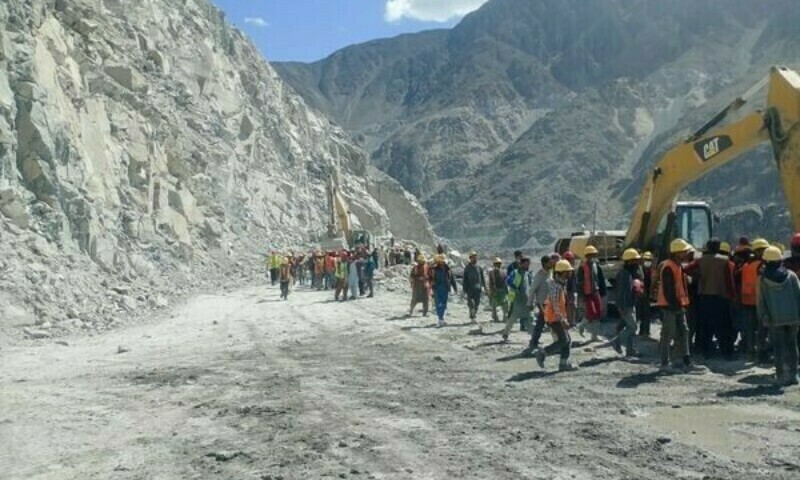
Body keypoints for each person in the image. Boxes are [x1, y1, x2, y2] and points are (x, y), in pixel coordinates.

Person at [656, 239, 701, 373]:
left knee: (684, 331)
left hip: (678, 305)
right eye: (684, 251)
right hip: (670, 306)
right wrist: (676, 306)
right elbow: (668, 290)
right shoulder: (669, 266)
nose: (687, 253)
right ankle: (664, 364)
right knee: (668, 334)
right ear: (677, 253)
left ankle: (686, 361)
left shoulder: (677, 265)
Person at [757, 246, 800, 386]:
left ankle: (780, 376)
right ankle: (793, 376)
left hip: (774, 319)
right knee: (792, 345)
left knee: (778, 347)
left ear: (766, 261)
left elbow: (761, 302)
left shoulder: (762, 279)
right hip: (793, 317)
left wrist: (762, 317)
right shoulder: (791, 275)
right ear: (780, 260)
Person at [686, 238, 736, 359]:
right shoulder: (725, 261)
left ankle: (706, 352)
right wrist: (732, 296)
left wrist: (698, 276)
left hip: (704, 297)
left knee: (705, 326)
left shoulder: (700, 260)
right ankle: (726, 352)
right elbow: (730, 280)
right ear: (718, 247)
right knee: (724, 326)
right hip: (721, 298)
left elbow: (686, 269)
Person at [535, 260, 578, 372]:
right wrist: (562, 320)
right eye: (568, 271)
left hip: (556, 317)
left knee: (567, 340)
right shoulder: (556, 286)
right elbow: (555, 305)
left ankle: (563, 363)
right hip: (554, 318)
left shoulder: (560, 284)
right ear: (563, 272)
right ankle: (543, 353)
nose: (570, 273)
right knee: (564, 340)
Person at [740, 238, 770, 362]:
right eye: (764, 250)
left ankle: (751, 352)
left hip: (747, 300)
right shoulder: (761, 265)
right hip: (759, 301)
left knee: (750, 329)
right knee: (762, 328)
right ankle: (761, 353)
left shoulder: (746, 265)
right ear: (758, 251)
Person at [614, 249, 642, 357]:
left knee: (625, 325)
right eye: (635, 260)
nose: (637, 263)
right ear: (630, 261)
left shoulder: (629, 273)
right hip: (626, 306)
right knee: (633, 327)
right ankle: (617, 341)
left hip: (629, 304)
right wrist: (623, 307)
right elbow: (621, 292)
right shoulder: (624, 275)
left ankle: (630, 350)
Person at [576, 245, 607, 341]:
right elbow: (579, 283)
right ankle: (581, 326)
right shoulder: (582, 267)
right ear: (587, 255)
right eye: (591, 255)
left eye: (594, 255)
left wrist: (603, 292)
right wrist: (581, 296)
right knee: (591, 313)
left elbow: (601, 280)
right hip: (587, 293)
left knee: (598, 314)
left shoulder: (596, 266)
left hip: (596, 292)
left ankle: (594, 336)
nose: (593, 257)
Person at [501, 256, 533, 342]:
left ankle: (534, 337)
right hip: (517, 300)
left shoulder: (527, 274)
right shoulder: (516, 273)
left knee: (529, 318)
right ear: (521, 264)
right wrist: (515, 288)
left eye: (528, 264)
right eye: (526, 264)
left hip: (525, 300)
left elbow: (529, 286)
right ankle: (505, 333)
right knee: (513, 317)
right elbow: (508, 281)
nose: (527, 266)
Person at [527, 256, 553, 351]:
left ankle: (534, 341)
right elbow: (532, 290)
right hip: (542, 303)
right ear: (545, 263)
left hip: (549, 302)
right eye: (550, 262)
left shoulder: (549, 273)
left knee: (542, 322)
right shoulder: (539, 275)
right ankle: (534, 342)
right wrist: (530, 303)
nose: (551, 264)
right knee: (543, 322)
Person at [432, 254, 458, 327]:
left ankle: (441, 318)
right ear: (438, 262)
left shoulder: (448, 270)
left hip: (445, 289)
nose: (442, 262)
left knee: (444, 304)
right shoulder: (434, 269)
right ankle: (440, 319)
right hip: (437, 288)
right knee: (438, 304)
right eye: (441, 261)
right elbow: (431, 279)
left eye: (443, 261)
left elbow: (452, 279)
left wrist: (455, 288)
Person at [463, 251, 486, 323]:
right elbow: (464, 279)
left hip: (478, 289)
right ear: (470, 258)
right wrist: (464, 289)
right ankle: (472, 317)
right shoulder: (467, 268)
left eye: (475, 257)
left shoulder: (479, 268)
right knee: (471, 303)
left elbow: (482, 278)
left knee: (477, 303)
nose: (475, 259)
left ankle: (473, 315)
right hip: (470, 288)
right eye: (473, 258)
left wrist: (484, 287)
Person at [638, 251, 655, 338]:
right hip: (641, 295)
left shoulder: (651, 271)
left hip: (647, 295)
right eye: (646, 260)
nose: (647, 262)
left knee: (646, 314)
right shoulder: (640, 270)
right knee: (643, 314)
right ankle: (643, 332)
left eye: (649, 260)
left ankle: (645, 332)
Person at [487, 258, 508, 323]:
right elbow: (490, 282)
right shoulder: (491, 272)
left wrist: (506, 291)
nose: (498, 265)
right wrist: (491, 291)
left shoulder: (503, 272)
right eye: (496, 264)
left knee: (505, 304)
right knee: (494, 304)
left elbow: (505, 282)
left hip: (502, 290)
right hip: (495, 290)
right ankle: (495, 317)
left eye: (499, 264)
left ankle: (505, 317)